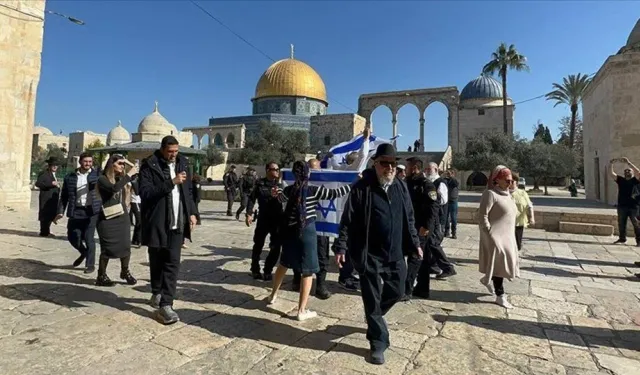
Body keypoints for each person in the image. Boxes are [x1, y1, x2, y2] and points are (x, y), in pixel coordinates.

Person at [334, 144, 422, 365]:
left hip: (394, 254)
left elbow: (409, 218)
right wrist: (341, 247)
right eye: (385, 163)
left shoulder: (400, 187)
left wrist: (414, 244)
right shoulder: (362, 187)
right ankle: (378, 342)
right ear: (375, 164)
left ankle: (374, 316)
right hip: (369, 255)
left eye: (393, 163)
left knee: (398, 290)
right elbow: (348, 219)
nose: (389, 168)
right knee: (371, 299)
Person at [266, 160, 351, 321]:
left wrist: (276, 194)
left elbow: (280, 200)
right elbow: (335, 193)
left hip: (290, 230)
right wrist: (353, 183)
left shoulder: (289, 190)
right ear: (308, 173)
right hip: (307, 231)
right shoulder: (313, 190)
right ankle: (301, 310)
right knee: (308, 270)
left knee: (284, 263)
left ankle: (273, 295)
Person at [139, 136, 198, 325]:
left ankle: (166, 304)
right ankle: (156, 292)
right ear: (163, 149)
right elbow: (146, 193)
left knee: (172, 263)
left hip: (177, 222)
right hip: (157, 221)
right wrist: (171, 182)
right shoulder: (149, 165)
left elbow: (188, 192)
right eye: (170, 151)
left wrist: (192, 213)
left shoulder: (183, 163)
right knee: (156, 259)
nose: (174, 155)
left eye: (176, 151)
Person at [478, 165, 519, 309]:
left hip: (508, 236)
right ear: (497, 180)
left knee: (506, 264)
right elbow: (482, 214)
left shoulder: (510, 195)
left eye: (510, 180)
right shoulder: (490, 194)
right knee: (499, 264)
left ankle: (487, 279)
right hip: (496, 237)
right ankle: (500, 295)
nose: (509, 182)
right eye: (506, 180)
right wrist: (488, 231)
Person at [95, 154, 138, 287]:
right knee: (107, 248)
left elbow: (137, 184)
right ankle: (101, 276)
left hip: (122, 217)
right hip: (107, 219)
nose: (122, 166)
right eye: (119, 163)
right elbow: (114, 188)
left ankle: (125, 271)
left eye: (123, 164)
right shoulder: (102, 179)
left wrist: (130, 166)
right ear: (111, 164)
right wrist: (128, 175)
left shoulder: (123, 179)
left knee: (125, 246)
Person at [292, 159, 332, 300]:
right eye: (311, 170)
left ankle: (320, 285)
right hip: (306, 225)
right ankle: (297, 280)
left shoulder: (325, 182)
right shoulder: (300, 186)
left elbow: (336, 192)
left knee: (322, 254)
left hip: (323, 223)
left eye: (317, 170)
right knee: (299, 252)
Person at [55, 152, 101, 273]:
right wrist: (60, 212)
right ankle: (84, 252)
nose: (88, 164)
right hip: (76, 210)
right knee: (72, 236)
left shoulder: (97, 176)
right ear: (80, 162)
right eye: (86, 161)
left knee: (89, 238)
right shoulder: (70, 177)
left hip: (91, 211)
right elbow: (64, 196)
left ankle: (90, 265)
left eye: (90, 162)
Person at [404, 158, 439, 300]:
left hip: (421, 228)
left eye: (407, 167)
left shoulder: (426, 185)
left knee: (415, 257)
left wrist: (426, 227)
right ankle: (422, 289)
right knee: (422, 259)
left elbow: (433, 207)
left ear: (414, 168)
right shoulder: (409, 182)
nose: (405, 170)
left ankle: (406, 290)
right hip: (412, 226)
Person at [415, 159, 456, 279]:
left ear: (436, 170)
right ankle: (432, 267)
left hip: (437, 218)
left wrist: (431, 198)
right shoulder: (428, 182)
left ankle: (448, 267)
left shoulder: (440, 182)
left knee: (433, 243)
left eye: (429, 169)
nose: (427, 171)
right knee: (428, 244)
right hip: (430, 217)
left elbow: (443, 200)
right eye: (426, 169)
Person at [246, 162, 283, 281]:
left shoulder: (281, 184)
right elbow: (251, 199)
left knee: (276, 247)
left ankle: (268, 269)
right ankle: (255, 269)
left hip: (277, 219)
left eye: (278, 169)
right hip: (263, 218)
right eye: (274, 169)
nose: (277, 171)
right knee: (258, 244)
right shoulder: (259, 184)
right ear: (267, 170)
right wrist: (249, 213)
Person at [610, 158, 640, 246]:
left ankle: (639, 240)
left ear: (632, 173)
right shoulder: (621, 180)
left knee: (636, 224)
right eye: (626, 170)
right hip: (622, 206)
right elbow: (611, 174)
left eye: (629, 170)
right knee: (621, 223)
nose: (627, 171)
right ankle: (622, 238)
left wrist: (629, 163)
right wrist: (611, 164)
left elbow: (638, 172)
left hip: (634, 206)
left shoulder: (636, 180)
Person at [35, 157, 60, 237]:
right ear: (49, 165)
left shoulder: (53, 174)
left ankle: (47, 231)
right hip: (46, 198)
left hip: (52, 199)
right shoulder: (44, 174)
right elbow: (38, 183)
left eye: (56, 165)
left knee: (50, 215)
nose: (55, 167)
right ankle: (44, 232)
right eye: (53, 165)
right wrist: (51, 184)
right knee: (45, 215)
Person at [510, 172, 534, 251]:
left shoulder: (522, 193)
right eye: (508, 181)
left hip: (518, 223)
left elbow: (529, 206)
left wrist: (532, 218)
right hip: (506, 222)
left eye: (512, 181)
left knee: (517, 243)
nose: (510, 183)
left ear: (516, 182)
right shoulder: (503, 193)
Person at [444, 169, 459, 239]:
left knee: (453, 218)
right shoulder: (445, 180)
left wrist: (451, 177)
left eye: (451, 173)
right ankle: (446, 232)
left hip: (453, 201)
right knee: (446, 217)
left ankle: (454, 232)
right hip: (446, 201)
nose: (449, 174)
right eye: (448, 173)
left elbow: (456, 184)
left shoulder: (454, 180)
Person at [130, 173, 142, 248]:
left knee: (139, 222)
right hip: (135, 202)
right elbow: (128, 191)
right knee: (139, 221)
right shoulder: (133, 181)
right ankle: (139, 240)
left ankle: (135, 239)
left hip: (139, 202)